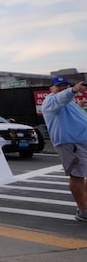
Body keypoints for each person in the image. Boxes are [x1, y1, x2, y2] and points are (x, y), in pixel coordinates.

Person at [41, 77, 87, 222]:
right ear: (51, 89)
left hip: (82, 142)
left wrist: (78, 103)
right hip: (70, 144)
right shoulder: (50, 101)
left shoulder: (70, 102)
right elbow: (59, 99)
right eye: (58, 86)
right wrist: (72, 90)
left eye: (65, 85)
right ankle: (83, 210)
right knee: (77, 175)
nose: (62, 88)